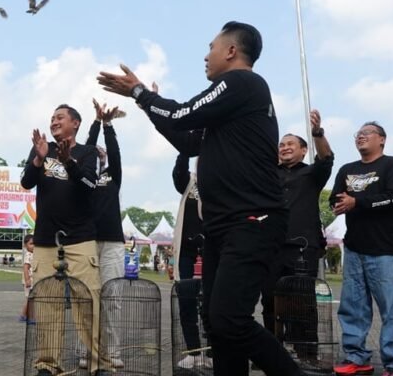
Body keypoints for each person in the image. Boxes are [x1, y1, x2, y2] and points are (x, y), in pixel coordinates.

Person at [97, 21, 303, 375]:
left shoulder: (241, 83)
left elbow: (183, 114)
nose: (206, 56)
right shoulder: (229, 110)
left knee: (230, 318)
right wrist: (148, 105)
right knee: (215, 319)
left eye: (211, 47)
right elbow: (187, 140)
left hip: (252, 220)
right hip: (222, 226)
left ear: (231, 51)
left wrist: (141, 94)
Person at [20, 103, 109, 375]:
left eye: (60, 117)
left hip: (80, 239)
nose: (54, 122)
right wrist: (38, 159)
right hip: (46, 240)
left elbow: (89, 185)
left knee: (88, 302)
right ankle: (48, 365)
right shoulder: (42, 149)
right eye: (52, 118)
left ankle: (98, 364)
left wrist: (69, 161)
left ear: (76, 123)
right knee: (48, 304)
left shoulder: (88, 152)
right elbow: (26, 182)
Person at [329, 122, 393, 376]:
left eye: (367, 133)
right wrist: (339, 204)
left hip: (384, 250)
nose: (361, 137)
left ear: (382, 139)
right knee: (353, 309)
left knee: (391, 311)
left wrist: (357, 202)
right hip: (354, 249)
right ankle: (356, 358)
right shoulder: (347, 169)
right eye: (358, 134)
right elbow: (335, 198)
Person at [260, 109, 333, 359]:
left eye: (291, 144)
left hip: (302, 246)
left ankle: (306, 353)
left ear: (303, 150)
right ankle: (271, 353)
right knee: (270, 301)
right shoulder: (268, 174)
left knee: (302, 302)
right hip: (270, 246)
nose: (285, 147)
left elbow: (326, 159)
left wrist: (317, 133)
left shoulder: (311, 174)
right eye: (281, 145)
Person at [84, 100, 125, 369]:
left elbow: (115, 153)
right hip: (86, 241)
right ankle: (87, 351)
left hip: (112, 243)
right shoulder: (84, 178)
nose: (99, 151)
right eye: (95, 151)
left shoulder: (113, 175)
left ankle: (112, 351)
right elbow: (87, 147)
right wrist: (95, 123)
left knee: (112, 299)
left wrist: (107, 124)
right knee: (87, 298)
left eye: (103, 151)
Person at [171, 153, 212, 370]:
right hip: (186, 251)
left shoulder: (220, 179)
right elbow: (179, 172)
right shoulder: (190, 181)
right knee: (186, 302)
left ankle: (212, 352)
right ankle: (193, 351)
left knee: (212, 303)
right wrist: (185, 150)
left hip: (213, 249)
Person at [19, 234, 34, 322]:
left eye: (34, 244)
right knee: (29, 299)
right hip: (29, 280)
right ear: (25, 245)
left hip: (32, 280)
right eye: (31, 244)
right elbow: (25, 268)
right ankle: (26, 316)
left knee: (31, 299)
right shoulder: (28, 255)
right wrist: (27, 280)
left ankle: (26, 315)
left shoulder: (33, 254)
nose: (33, 246)